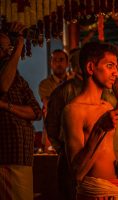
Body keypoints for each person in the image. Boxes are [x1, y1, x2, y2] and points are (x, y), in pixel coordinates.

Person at [62, 41, 118, 199]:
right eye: (110, 66)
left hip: (116, 188)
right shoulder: (74, 110)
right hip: (95, 193)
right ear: (90, 68)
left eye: (115, 66)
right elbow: (77, 173)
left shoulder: (107, 106)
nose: (116, 73)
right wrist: (99, 129)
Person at [0, 23, 42, 200]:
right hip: (5, 155)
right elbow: (2, 86)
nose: (7, 52)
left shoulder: (18, 77)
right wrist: (19, 48)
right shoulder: (7, 73)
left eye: (8, 48)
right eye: (3, 48)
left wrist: (5, 106)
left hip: (21, 156)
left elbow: (36, 111)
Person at [45, 48, 82, 200]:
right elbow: (51, 125)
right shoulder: (63, 91)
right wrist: (63, 149)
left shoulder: (101, 91)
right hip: (69, 157)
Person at [38, 49, 71, 152]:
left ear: (67, 63)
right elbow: (49, 105)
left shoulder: (73, 81)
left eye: (61, 60)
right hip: (52, 133)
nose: (58, 63)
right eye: (55, 60)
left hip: (72, 129)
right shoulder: (45, 84)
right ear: (51, 64)